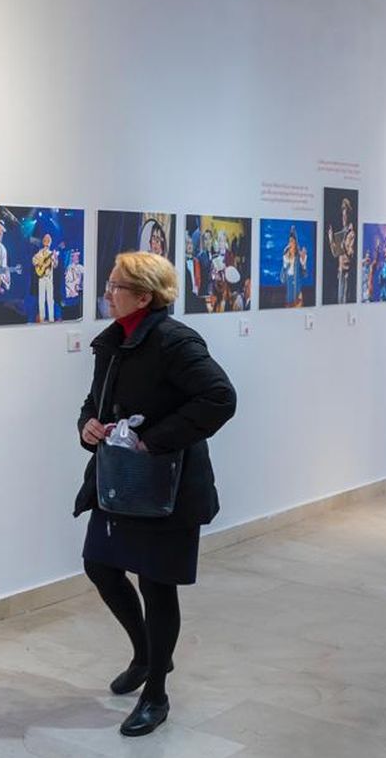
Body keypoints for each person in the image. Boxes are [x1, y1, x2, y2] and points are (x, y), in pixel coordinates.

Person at [77, 252, 236, 737]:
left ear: (144, 296)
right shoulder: (113, 342)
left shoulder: (175, 341)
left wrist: (154, 439)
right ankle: (146, 655)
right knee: (100, 565)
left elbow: (220, 397)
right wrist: (86, 425)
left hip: (168, 486)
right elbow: (94, 401)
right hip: (119, 481)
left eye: (115, 286)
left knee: (157, 585)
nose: (107, 293)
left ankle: (156, 694)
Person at [327, 199, 356, 304]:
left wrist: (344, 246)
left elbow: (351, 254)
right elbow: (335, 253)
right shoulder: (342, 233)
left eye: (346, 215)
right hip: (340, 272)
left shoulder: (351, 234)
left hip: (347, 273)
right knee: (340, 300)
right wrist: (331, 239)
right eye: (343, 216)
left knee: (345, 300)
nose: (344, 218)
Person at [33, 233, 59, 322]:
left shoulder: (52, 253)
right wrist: (40, 263)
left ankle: (51, 319)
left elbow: (55, 266)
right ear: (44, 242)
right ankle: (42, 318)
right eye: (46, 240)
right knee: (41, 299)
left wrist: (54, 258)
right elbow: (33, 261)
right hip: (41, 277)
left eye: (49, 241)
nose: (47, 242)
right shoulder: (39, 252)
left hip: (49, 278)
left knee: (50, 299)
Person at [282, 226, 306, 307]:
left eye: (292, 241)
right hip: (289, 298)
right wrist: (285, 265)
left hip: (298, 296)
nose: (291, 244)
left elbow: (305, 275)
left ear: (295, 244)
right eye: (290, 242)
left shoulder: (299, 257)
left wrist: (303, 263)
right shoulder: (287, 259)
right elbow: (282, 279)